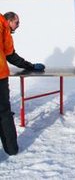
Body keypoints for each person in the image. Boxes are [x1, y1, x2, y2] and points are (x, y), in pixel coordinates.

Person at [0, 11, 45, 156]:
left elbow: (9, 55)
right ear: (8, 20)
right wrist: (30, 66)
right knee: (4, 114)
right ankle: (11, 149)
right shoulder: (3, 29)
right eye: (17, 22)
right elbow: (11, 55)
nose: (18, 26)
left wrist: (30, 66)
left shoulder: (4, 30)